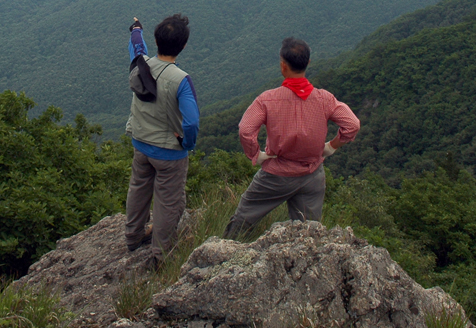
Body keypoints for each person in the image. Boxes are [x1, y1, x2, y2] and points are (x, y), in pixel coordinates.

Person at [224, 37, 359, 239]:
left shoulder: (267, 99)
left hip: (276, 174)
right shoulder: (325, 99)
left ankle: (225, 251)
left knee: (243, 218)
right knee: (309, 234)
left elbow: (245, 129)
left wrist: (256, 155)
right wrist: (331, 146)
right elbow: (352, 124)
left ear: (282, 66)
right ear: (308, 63)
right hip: (312, 174)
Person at [124, 14, 199, 266]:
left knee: (138, 188)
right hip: (168, 152)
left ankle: (133, 236)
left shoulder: (140, 66)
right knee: (168, 202)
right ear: (184, 46)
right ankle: (161, 255)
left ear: (156, 41)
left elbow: (137, 46)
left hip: (140, 144)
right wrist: (187, 144)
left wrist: (136, 28)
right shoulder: (181, 80)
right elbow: (191, 122)